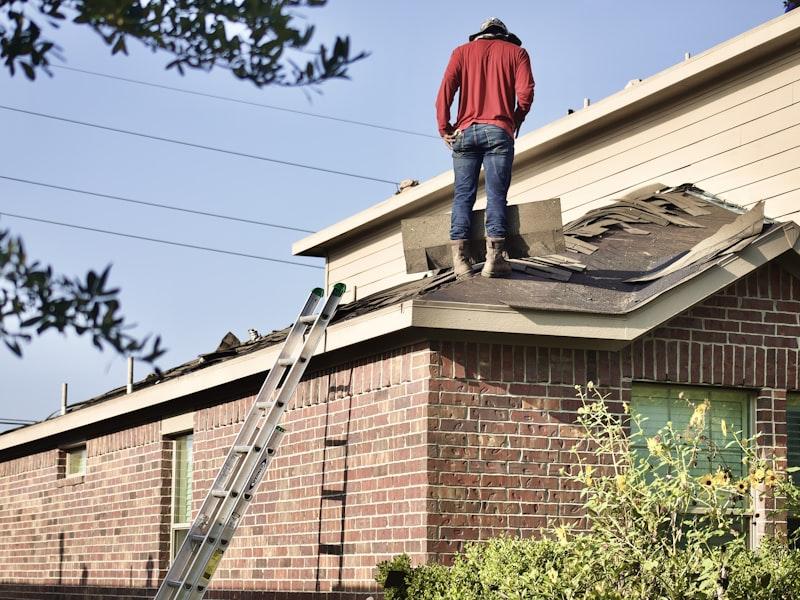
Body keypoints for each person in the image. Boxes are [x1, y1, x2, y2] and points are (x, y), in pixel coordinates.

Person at [436, 17, 534, 278]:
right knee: (496, 194)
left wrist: (443, 127)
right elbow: (525, 94)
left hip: (465, 132)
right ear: (504, 35)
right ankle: (494, 258)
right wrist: (514, 120)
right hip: (499, 131)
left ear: (480, 35)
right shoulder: (517, 53)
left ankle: (460, 261)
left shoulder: (461, 52)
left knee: (463, 196)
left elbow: (445, 90)